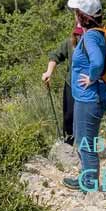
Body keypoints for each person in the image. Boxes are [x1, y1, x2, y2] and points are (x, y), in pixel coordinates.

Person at [62, 0, 106, 192]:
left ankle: (89, 185)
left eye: (76, 12)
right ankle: (85, 177)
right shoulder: (97, 33)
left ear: (82, 15)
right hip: (87, 97)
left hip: (90, 97)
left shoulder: (91, 36)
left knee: (86, 143)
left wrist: (92, 77)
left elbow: (98, 62)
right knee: (82, 139)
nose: (74, 15)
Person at [41, 16, 85, 146]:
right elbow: (55, 56)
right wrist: (49, 72)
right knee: (69, 116)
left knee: (85, 117)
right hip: (70, 85)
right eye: (77, 34)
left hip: (88, 87)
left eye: (81, 34)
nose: (79, 37)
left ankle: (86, 145)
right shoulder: (70, 44)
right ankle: (69, 144)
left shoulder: (95, 44)